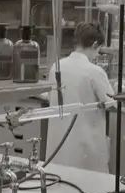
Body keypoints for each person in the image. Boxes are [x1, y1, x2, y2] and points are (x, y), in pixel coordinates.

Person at [43, 22, 115, 172]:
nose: (98, 55)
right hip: (85, 151)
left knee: (61, 181)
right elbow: (113, 104)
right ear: (95, 44)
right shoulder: (94, 71)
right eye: (99, 50)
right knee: (88, 183)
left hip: (59, 149)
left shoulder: (56, 67)